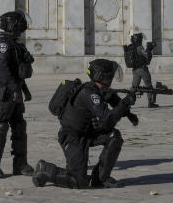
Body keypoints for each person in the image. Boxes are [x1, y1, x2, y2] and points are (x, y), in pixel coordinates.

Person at [32, 59, 136, 189]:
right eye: (110, 75)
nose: (112, 77)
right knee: (78, 181)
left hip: (87, 133)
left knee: (114, 136)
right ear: (101, 76)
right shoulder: (89, 93)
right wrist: (125, 103)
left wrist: (130, 115)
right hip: (72, 137)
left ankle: (101, 178)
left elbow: (114, 99)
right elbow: (108, 120)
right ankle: (45, 169)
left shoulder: (99, 89)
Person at [0, 10, 34, 179]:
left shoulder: (13, 43)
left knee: (19, 126)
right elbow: (2, 71)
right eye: (20, 23)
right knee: (1, 126)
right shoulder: (2, 44)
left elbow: (16, 71)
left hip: (14, 90)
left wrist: (24, 90)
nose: (23, 27)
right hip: (4, 92)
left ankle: (20, 164)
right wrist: (14, 90)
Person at [125, 32, 159, 107]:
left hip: (135, 70)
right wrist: (150, 49)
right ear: (139, 40)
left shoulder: (131, 47)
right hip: (142, 70)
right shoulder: (140, 47)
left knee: (134, 87)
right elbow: (146, 56)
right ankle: (151, 102)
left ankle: (129, 102)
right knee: (149, 86)